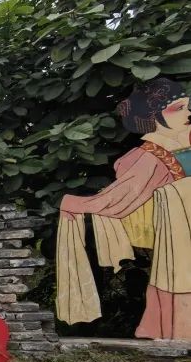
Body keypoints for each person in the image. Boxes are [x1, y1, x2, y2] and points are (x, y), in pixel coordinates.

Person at [57, 77, 191, 339]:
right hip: (181, 238)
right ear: (154, 117)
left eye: (188, 106)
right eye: (178, 108)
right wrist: (76, 205)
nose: (188, 113)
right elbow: (120, 198)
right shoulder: (152, 155)